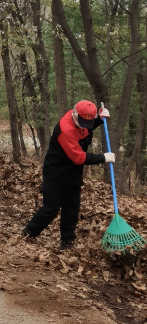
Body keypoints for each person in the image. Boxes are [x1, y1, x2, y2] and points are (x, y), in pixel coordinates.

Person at [22, 100, 115, 250]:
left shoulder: (82, 121)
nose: (86, 125)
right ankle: (28, 234)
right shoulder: (65, 129)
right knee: (50, 208)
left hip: (72, 172)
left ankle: (67, 241)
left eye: (88, 122)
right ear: (75, 115)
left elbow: (86, 129)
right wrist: (104, 157)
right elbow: (79, 157)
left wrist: (100, 118)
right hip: (56, 172)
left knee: (72, 208)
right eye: (83, 122)